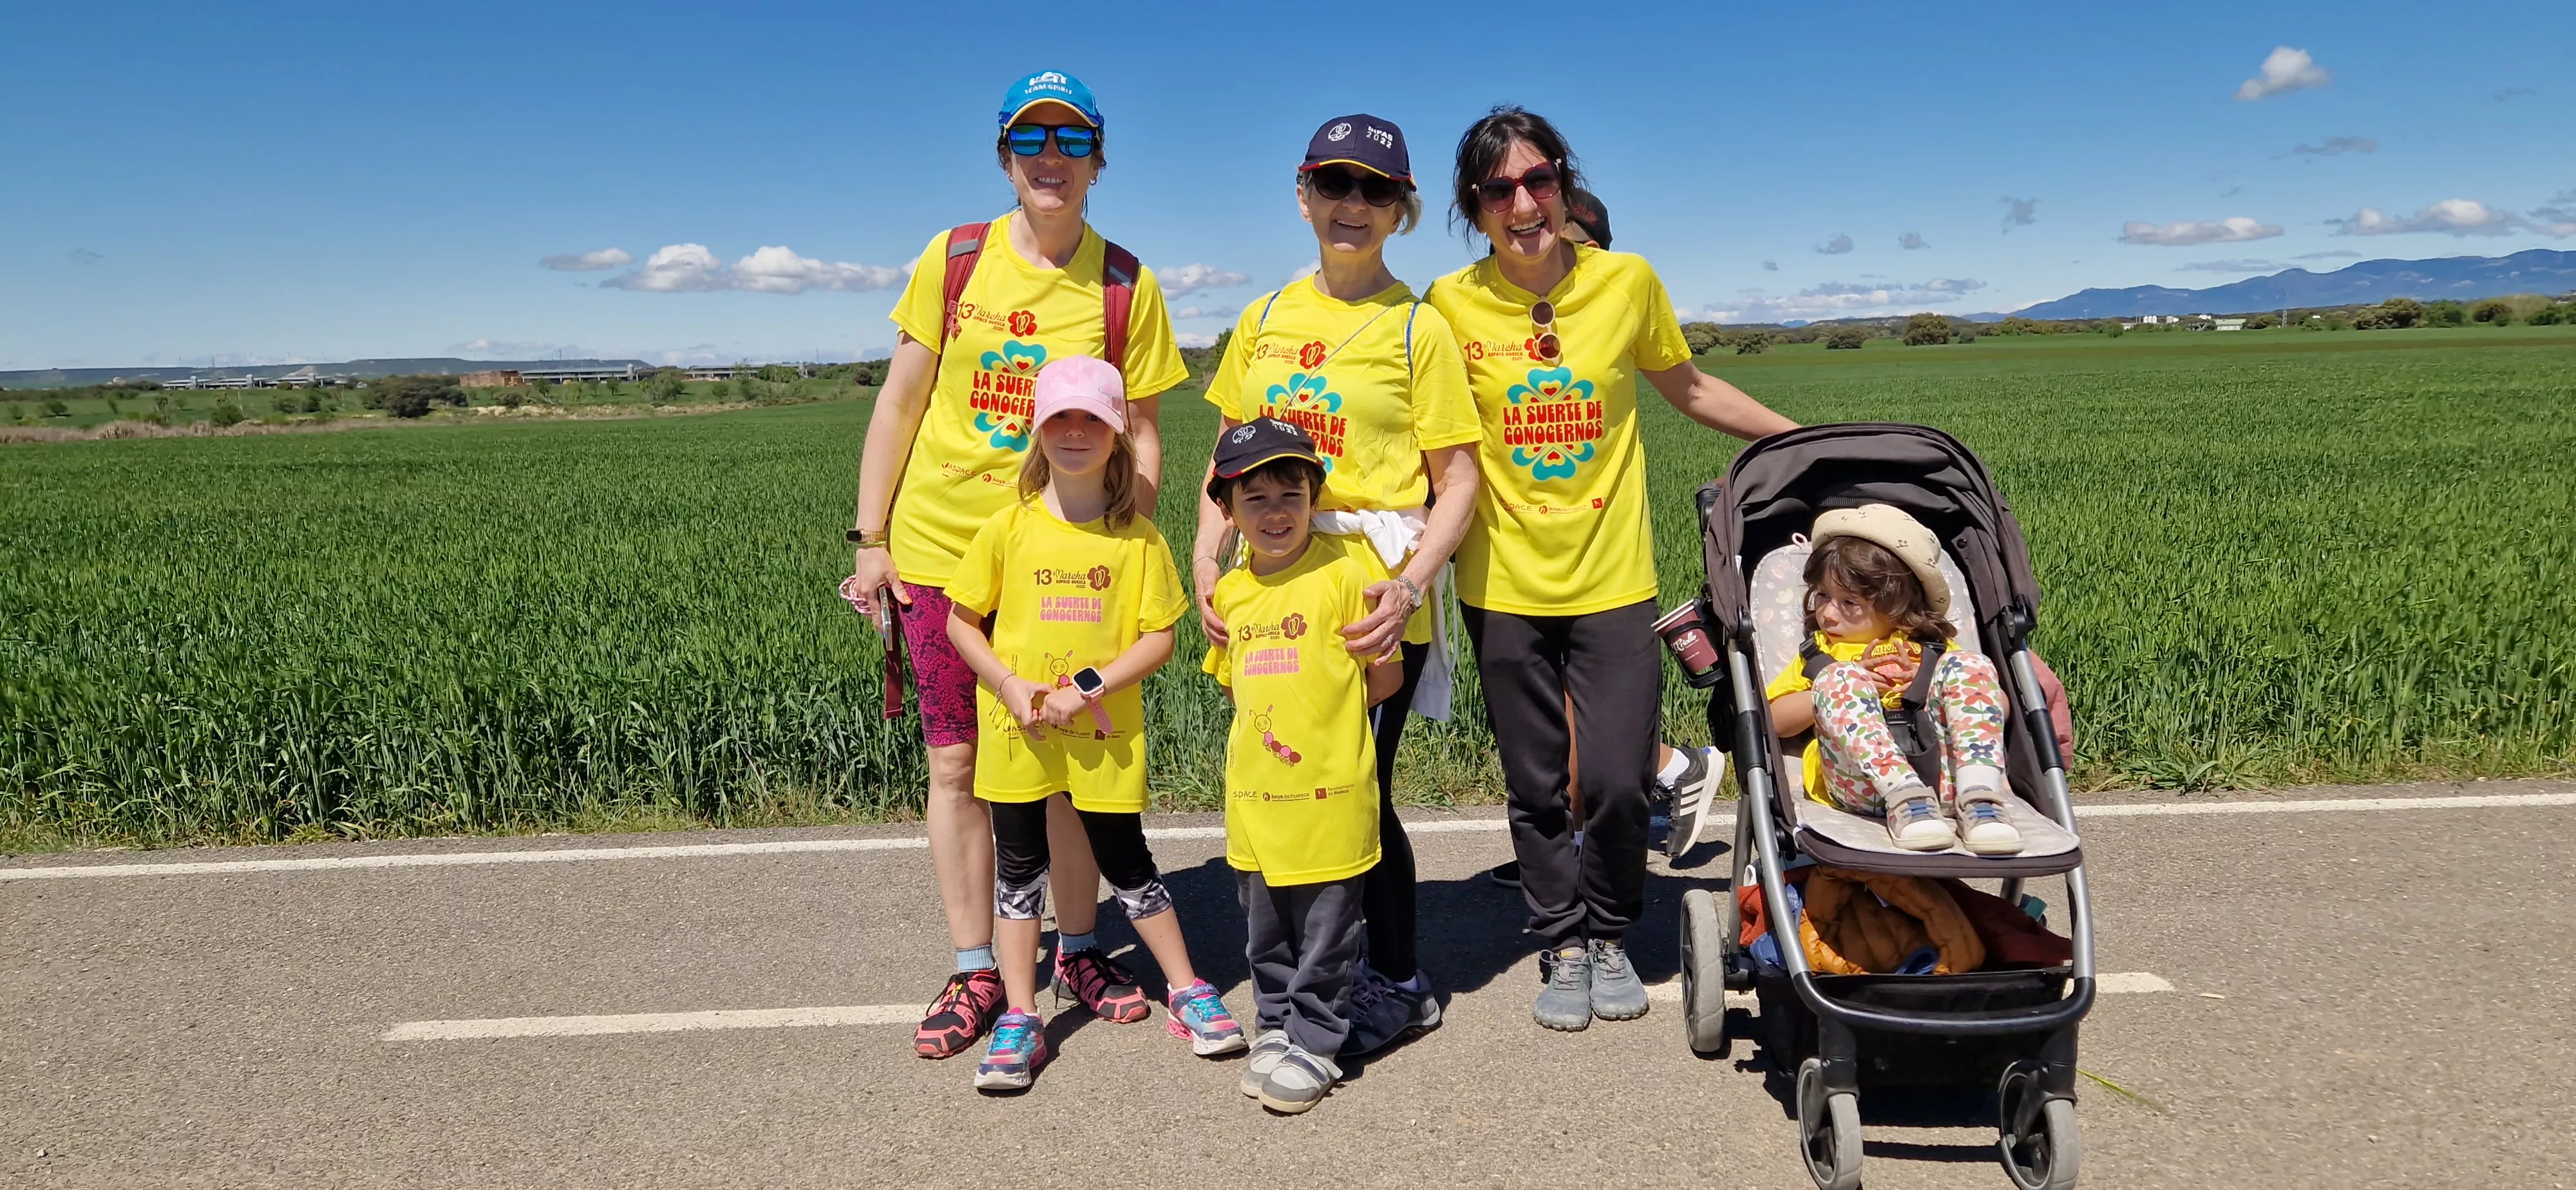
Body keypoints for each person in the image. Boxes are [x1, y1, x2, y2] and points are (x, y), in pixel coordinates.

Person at [842, 68, 1193, 1061]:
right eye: (1031, 140)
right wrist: (872, 540)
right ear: (1004, 157)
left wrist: (1123, 542)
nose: (1052, 158)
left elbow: (1145, 430)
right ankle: (977, 969)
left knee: (1068, 768)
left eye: (1072, 141)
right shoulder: (956, 259)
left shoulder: (1125, 283)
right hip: (943, 552)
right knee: (958, 763)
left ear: (1098, 162)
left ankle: (1077, 949)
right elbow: (900, 402)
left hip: (1068, 565)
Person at [1425, 106, 1796, 1032]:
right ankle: (1562, 939)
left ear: (1564, 182)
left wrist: (1804, 444)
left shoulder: (1627, 283)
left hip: (1613, 577)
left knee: (1622, 780)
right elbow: (1422, 436)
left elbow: (1691, 387)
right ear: (1473, 205)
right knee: (1537, 782)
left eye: (1539, 180)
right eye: (1499, 190)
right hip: (1500, 583)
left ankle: (1610, 931)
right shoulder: (1448, 303)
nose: (1524, 204)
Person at [1191, 113, 1479, 1057]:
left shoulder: (1418, 327)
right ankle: (1318, 979)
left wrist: (1410, 586)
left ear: (1400, 210)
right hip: (1271, 578)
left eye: (1375, 189)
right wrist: (1207, 558)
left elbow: (1457, 480)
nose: (1353, 205)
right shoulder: (1262, 320)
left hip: (1367, 589)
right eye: (1335, 184)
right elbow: (1224, 460)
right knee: (1289, 775)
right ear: (1304, 194)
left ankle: (1393, 981)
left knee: (1357, 788)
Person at [943, 355, 1245, 1091]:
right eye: (1060, 418)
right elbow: (961, 623)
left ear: (1117, 437)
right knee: (1020, 876)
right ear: (1037, 432)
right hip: (1019, 737)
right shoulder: (1006, 528)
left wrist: (1087, 688)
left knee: (1131, 866)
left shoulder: (1138, 538)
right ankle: (1021, 1017)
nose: (1075, 432)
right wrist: (1009, 684)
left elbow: (1158, 638)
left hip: (1103, 740)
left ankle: (1187, 990)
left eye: (1093, 420)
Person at [1200, 419, 1407, 1113]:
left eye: (1291, 494)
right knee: (1265, 931)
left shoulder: (1349, 575)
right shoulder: (1231, 593)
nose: (1276, 512)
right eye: (1253, 499)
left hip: (1331, 794)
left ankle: (1317, 1040)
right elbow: (1234, 684)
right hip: (1255, 797)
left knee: (1326, 932)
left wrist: (1326, 723)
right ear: (1227, 511)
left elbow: (1383, 680)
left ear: (1314, 498)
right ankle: (1276, 1025)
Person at [1763, 505, 2022, 855]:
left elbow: (1998, 707)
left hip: (1945, 782)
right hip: (1860, 787)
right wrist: (1839, 688)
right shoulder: (1820, 652)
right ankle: (1905, 794)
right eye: (1822, 596)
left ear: (1897, 605)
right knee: (1840, 676)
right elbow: (1775, 720)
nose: (1827, 613)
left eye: (1849, 602)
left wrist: (1928, 681)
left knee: (1970, 664)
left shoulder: (1933, 651)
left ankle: (1981, 798)